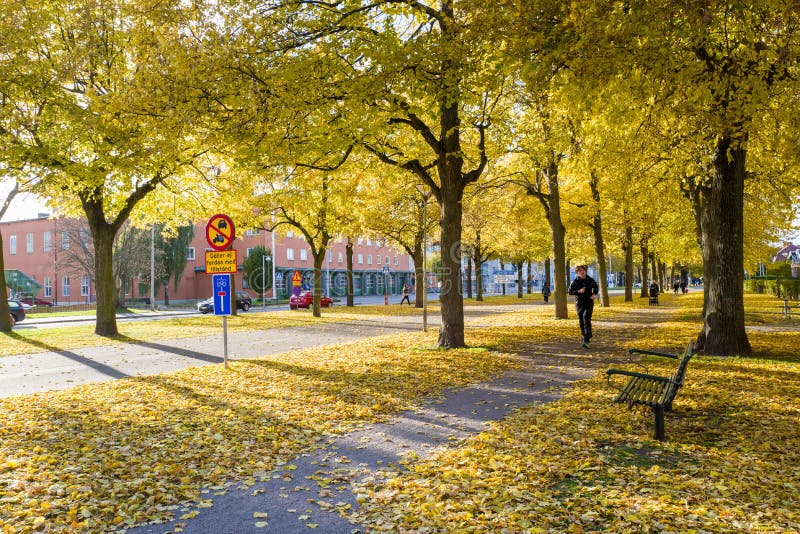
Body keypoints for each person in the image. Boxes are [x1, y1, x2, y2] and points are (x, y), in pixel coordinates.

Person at [567, 264, 599, 348]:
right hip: (579, 303)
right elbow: (570, 292)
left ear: (585, 271)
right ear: (577, 272)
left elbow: (596, 287)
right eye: (580, 271)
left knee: (586, 318)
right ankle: (586, 335)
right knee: (581, 320)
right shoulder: (575, 281)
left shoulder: (590, 280)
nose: (582, 272)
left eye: (583, 270)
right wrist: (578, 291)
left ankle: (586, 339)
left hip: (589, 302)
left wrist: (594, 294)